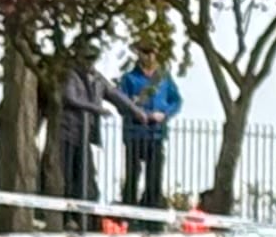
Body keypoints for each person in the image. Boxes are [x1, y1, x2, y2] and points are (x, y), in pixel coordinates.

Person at [113, 43, 180, 216]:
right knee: (132, 176)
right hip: (135, 133)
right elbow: (122, 103)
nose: (149, 56)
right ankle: (128, 214)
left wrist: (164, 114)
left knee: (154, 178)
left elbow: (176, 100)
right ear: (138, 54)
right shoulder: (128, 78)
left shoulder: (164, 78)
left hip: (156, 134)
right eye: (145, 52)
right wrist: (140, 113)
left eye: (152, 52)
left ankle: (151, 214)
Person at [52, 53, 107, 214]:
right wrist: (96, 108)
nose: (91, 63)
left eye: (93, 59)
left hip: (83, 135)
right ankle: (68, 217)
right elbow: (71, 98)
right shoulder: (70, 75)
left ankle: (84, 216)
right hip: (67, 132)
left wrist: (137, 111)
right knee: (67, 177)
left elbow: (115, 94)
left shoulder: (96, 78)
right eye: (88, 58)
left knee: (86, 177)